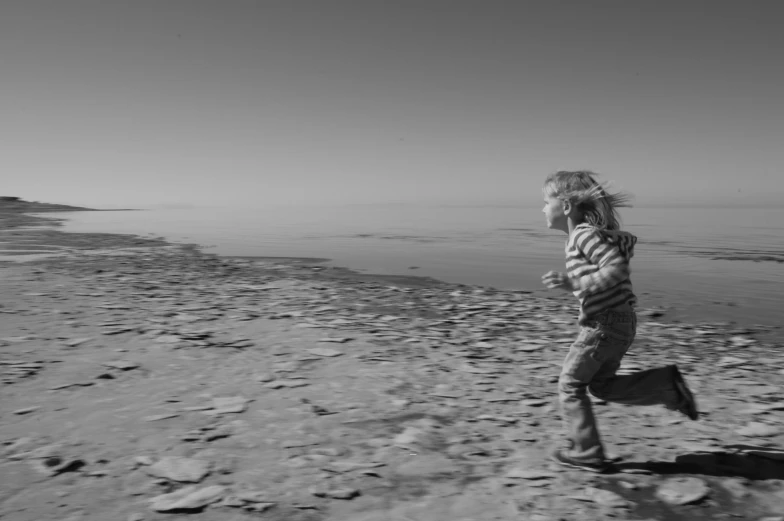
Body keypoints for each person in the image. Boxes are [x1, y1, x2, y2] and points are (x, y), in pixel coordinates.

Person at [540, 170, 698, 473]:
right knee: (601, 387)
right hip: (619, 323)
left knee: (570, 384)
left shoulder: (583, 235)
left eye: (545, 201)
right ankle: (667, 387)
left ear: (566, 206)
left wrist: (574, 282)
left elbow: (616, 268)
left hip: (603, 326)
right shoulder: (584, 235)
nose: (542, 208)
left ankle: (586, 453)